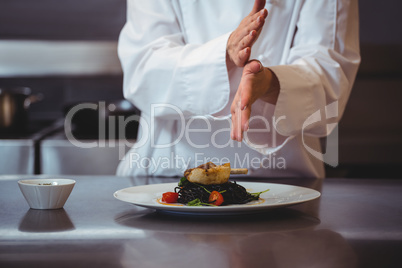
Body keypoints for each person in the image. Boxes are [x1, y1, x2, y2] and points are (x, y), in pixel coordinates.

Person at [116, 0, 360, 178]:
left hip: (283, 183)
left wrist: (270, 83)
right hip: (167, 173)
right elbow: (142, 71)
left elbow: (330, 83)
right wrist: (224, 52)